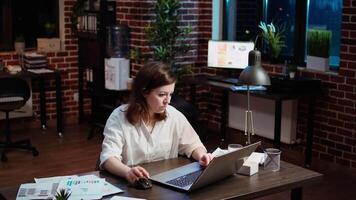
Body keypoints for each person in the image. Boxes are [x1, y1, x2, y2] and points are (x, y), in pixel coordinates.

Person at [100, 61, 213, 184]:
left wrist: (202, 156)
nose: (168, 101)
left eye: (170, 94)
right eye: (162, 95)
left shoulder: (173, 115)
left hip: (166, 184)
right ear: (144, 92)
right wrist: (127, 171)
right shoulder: (119, 117)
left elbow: (193, 145)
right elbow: (108, 158)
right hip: (134, 184)